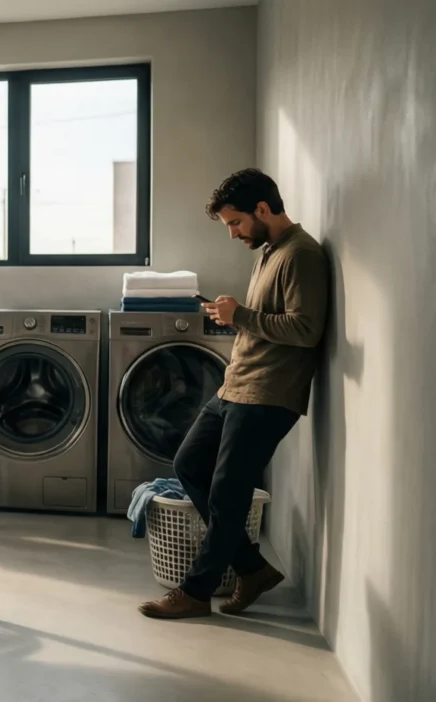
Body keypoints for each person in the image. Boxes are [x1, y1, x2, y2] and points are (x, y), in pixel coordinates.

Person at [140, 169, 328, 619]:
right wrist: (234, 315)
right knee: (189, 463)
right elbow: (267, 319)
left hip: (268, 393)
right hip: (236, 385)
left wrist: (239, 314)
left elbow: (305, 330)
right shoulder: (269, 252)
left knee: (228, 494)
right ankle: (252, 568)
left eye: (236, 222)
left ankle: (196, 591)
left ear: (263, 209)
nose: (233, 233)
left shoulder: (302, 255)